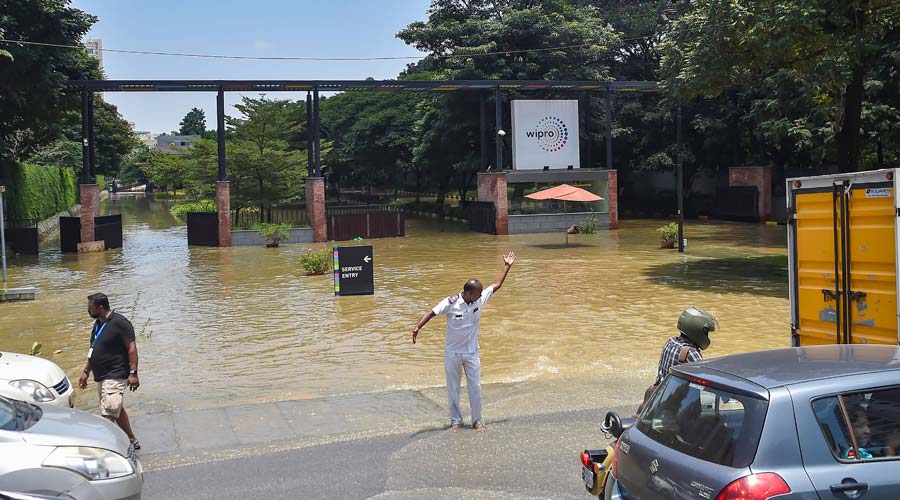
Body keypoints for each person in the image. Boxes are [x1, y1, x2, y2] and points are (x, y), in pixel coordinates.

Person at [412, 251, 517, 432]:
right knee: (453, 388)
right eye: (477, 293)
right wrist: (417, 327)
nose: (480, 296)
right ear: (468, 293)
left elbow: (497, 285)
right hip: (452, 353)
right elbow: (431, 313)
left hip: (472, 352)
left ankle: (477, 420)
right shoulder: (451, 302)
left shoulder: (479, 299)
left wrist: (507, 266)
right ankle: (456, 421)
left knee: (475, 387)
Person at [78, 293, 141, 450]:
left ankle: (104, 447)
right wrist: (86, 371)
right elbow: (93, 350)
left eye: (90, 307)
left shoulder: (120, 323)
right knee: (115, 409)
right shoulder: (98, 324)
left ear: (100, 307)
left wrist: (133, 373)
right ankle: (132, 439)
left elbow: (132, 349)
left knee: (108, 413)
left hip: (116, 374)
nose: (88, 310)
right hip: (102, 376)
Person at [639, 307, 718, 412]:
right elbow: (706, 381)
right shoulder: (690, 353)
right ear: (698, 331)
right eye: (706, 333)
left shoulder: (670, 342)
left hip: (659, 394)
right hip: (674, 403)